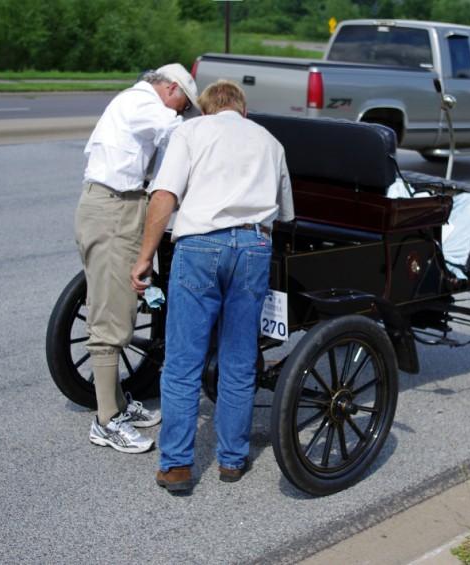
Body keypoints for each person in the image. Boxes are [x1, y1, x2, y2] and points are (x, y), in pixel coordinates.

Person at [130, 79, 294, 493]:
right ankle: (233, 460)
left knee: (184, 361)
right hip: (255, 244)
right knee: (240, 358)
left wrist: (145, 256)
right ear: (243, 110)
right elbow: (284, 214)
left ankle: (178, 466)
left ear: (206, 109)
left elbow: (164, 195)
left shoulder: (191, 131)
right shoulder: (269, 141)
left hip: (201, 244)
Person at [76, 63, 199, 454]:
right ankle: (106, 422)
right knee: (112, 317)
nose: (182, 112)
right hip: (114, 208)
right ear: (172, 89)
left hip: (121, 205)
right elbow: (176, 133)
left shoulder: (138, 106)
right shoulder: (142, 103)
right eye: (184, 104)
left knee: (119, 304)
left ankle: (116, 405)